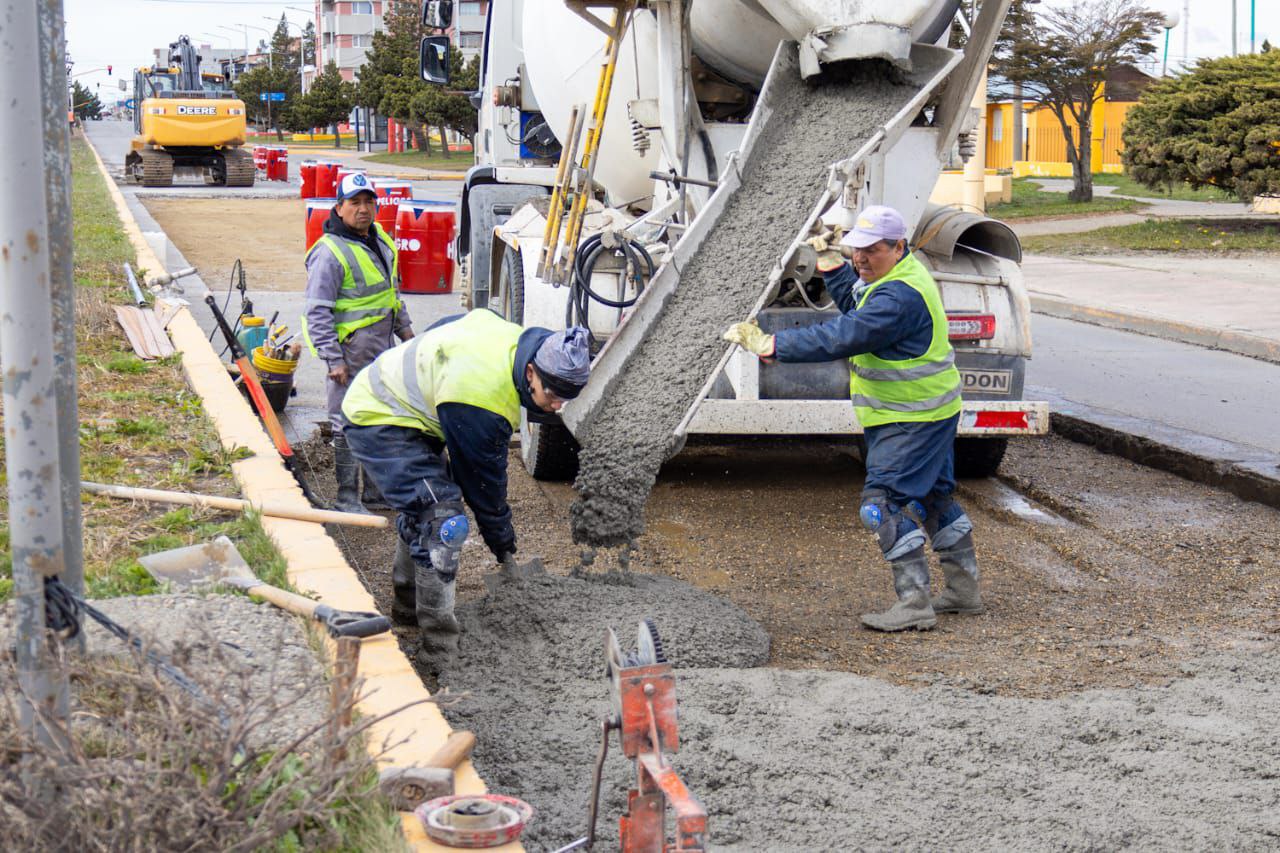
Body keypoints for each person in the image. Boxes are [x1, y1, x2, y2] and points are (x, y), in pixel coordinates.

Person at [723, 205, 981, 632]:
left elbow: (846, 335)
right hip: (924, 412)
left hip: (909, 419)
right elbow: (855, 304)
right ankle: (963, 591)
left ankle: (915, 603)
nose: (861, 258)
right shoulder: (894, 277)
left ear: (899, 247)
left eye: (873, 250)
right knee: (933, 497)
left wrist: (772, 345)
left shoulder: (899, 297)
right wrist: (831, 263)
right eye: (856, 249)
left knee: (879, 507)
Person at [341, 309, 591, 664]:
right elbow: (484, 488)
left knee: (425, 500)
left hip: (411, 414)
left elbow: (448, 326)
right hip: (377, 418)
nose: (556, 407)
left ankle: (407, 607)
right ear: (531, 372)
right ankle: (439, 649)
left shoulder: (513, 342)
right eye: (552, 396)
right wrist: (503, 546)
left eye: (566, 399)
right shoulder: (482, 398)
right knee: (443, 518)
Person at [303, 172, 413, 513]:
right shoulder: (330, 252)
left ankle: (375, 493)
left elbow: (392, 296)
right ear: (339, 208)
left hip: (381, 351)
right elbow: (317, 311)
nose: (363, 209)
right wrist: (333, 360)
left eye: (369, 202)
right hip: (349, 355)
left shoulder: (380, 242)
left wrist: (407, 334)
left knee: (379, 418)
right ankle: (347, 497)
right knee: (346, 422)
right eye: (355, 203)